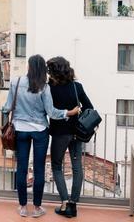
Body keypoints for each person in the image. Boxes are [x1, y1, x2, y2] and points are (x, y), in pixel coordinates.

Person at [3, 55, 80, 218]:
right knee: (39, 170)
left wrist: (3, 112)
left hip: (20, 130)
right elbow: (52, 112)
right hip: (40, 131)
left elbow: (7, 107)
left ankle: (23, 207)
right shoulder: (44, 87)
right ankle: (37, 208)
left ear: (29, 67)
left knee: (22, 168)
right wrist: (69, 112)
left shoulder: (16, 82)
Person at [47, 56, 94, 218]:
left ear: (53, 71)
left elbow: (47, 110)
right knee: (76, 167)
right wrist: (78, 112)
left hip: (59, 134)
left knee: (57, 166)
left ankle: (64, 203)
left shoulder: (50, 88)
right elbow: (90, 107)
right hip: (76, 133)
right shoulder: (76, 87)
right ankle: (73, 205)